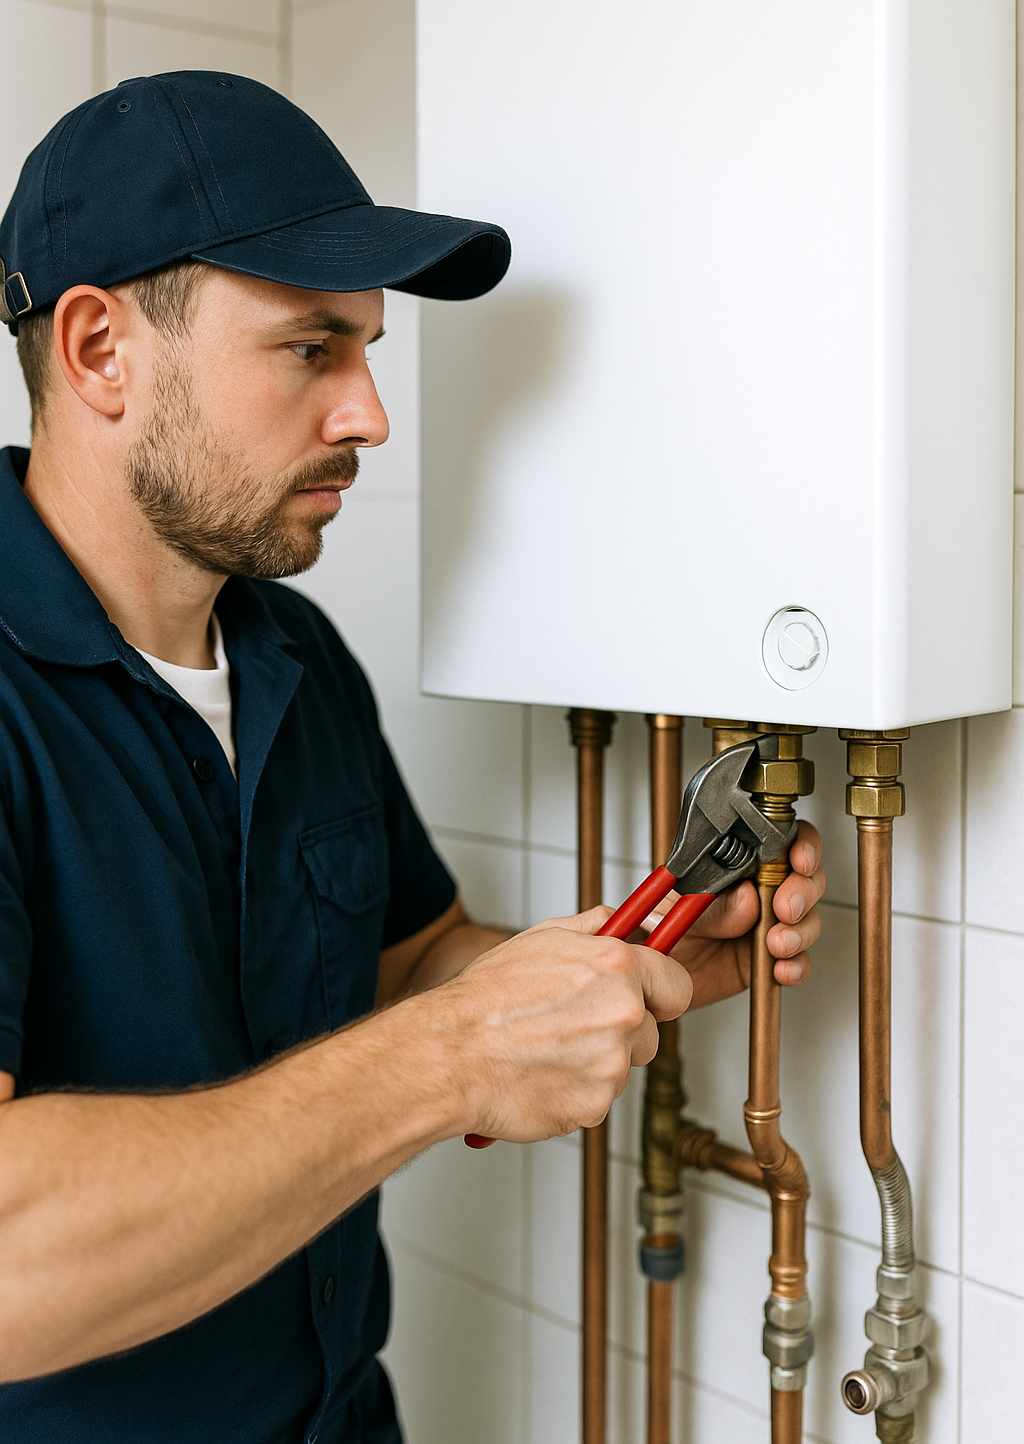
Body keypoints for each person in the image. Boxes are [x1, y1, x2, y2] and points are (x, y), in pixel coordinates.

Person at [0, 73, 825, 1444]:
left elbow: (401, 959)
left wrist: (635, 956)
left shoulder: (295, 659)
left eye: (369, 352)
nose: (370, 416)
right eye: (311, 349)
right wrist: (449, 1061)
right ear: (98, 353)